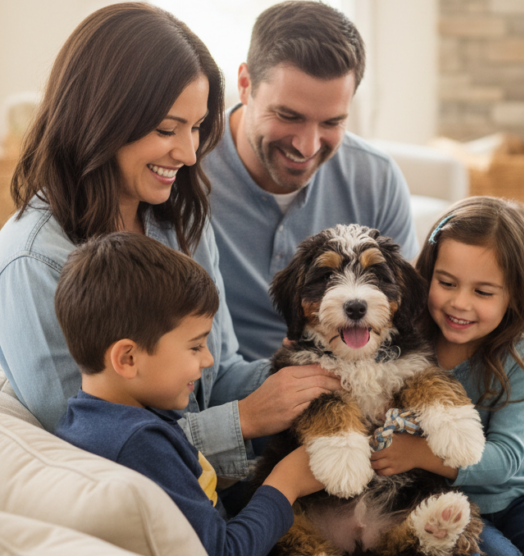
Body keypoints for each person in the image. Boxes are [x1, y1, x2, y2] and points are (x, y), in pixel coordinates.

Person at [0, 2, 339, 480]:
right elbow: (81, 450)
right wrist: (242, 421)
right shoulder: (34, 259)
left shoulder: (181, 219)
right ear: (102, 118)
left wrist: (304, 370)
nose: (188, 152)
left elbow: (215, 376)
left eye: (198, 126)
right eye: (166, 129)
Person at [54, 232, 323, 556]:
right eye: (195, 346)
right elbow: (223, 550)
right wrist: (287, 481)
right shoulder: (142, 444)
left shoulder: (85, 419)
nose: (208, 360)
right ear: (128, 358)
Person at [369, 196, 524, 556]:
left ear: (514, 295)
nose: (460, 303)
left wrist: (416, 453)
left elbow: (504, 461)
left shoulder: (522, 357)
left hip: (516, 499)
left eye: (483, 292)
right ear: (426, 276)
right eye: (446, 283)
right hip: (438, 505)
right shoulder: (405, 344)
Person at [204, 0, 419, 362]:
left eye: (332, 122)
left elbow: (406, 317)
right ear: (244, 85)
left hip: (351, 383)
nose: (308, 146)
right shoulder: (185, 169)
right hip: (223, 391)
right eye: (288, 115)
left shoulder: (377, 178)